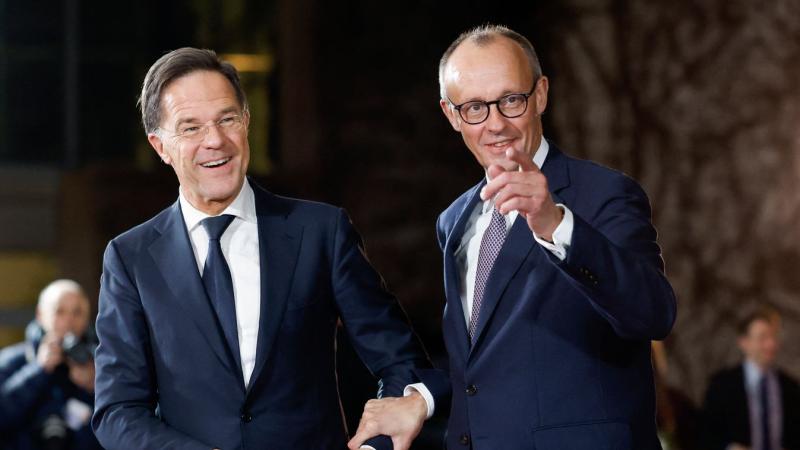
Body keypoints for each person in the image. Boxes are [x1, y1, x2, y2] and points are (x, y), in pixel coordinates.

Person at [92, 48, 444, 450]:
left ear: (246, 122)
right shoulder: (131, 258)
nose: (215, 140)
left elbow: (402, 361)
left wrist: (373, 446)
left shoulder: (320, 232)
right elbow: (117, 412)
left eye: (227, 119)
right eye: (191, 128)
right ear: (160, 146)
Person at [349, 24, 677, 449]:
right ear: (451, 115)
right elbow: (485, 365)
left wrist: (554, 223)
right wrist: (422, 399)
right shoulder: (454, 221)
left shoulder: (605, 194)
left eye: (510, 100)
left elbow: (653, 314)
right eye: (475, 108)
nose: (496, 124)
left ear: (540, 95)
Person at [0, 279, 101, 450]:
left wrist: (95, 389)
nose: (69, 320)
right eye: (59, 311)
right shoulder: (11, 361)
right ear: (40, 314)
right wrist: (38, 370)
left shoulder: (101, 365)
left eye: (77, 312)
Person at [701, 308, 800, 450]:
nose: (771, 344)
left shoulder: (790, 387)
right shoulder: (722, 385)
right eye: (762, 338)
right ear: (744, 343)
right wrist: (730, 448)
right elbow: (706, 435)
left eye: (774, 337)